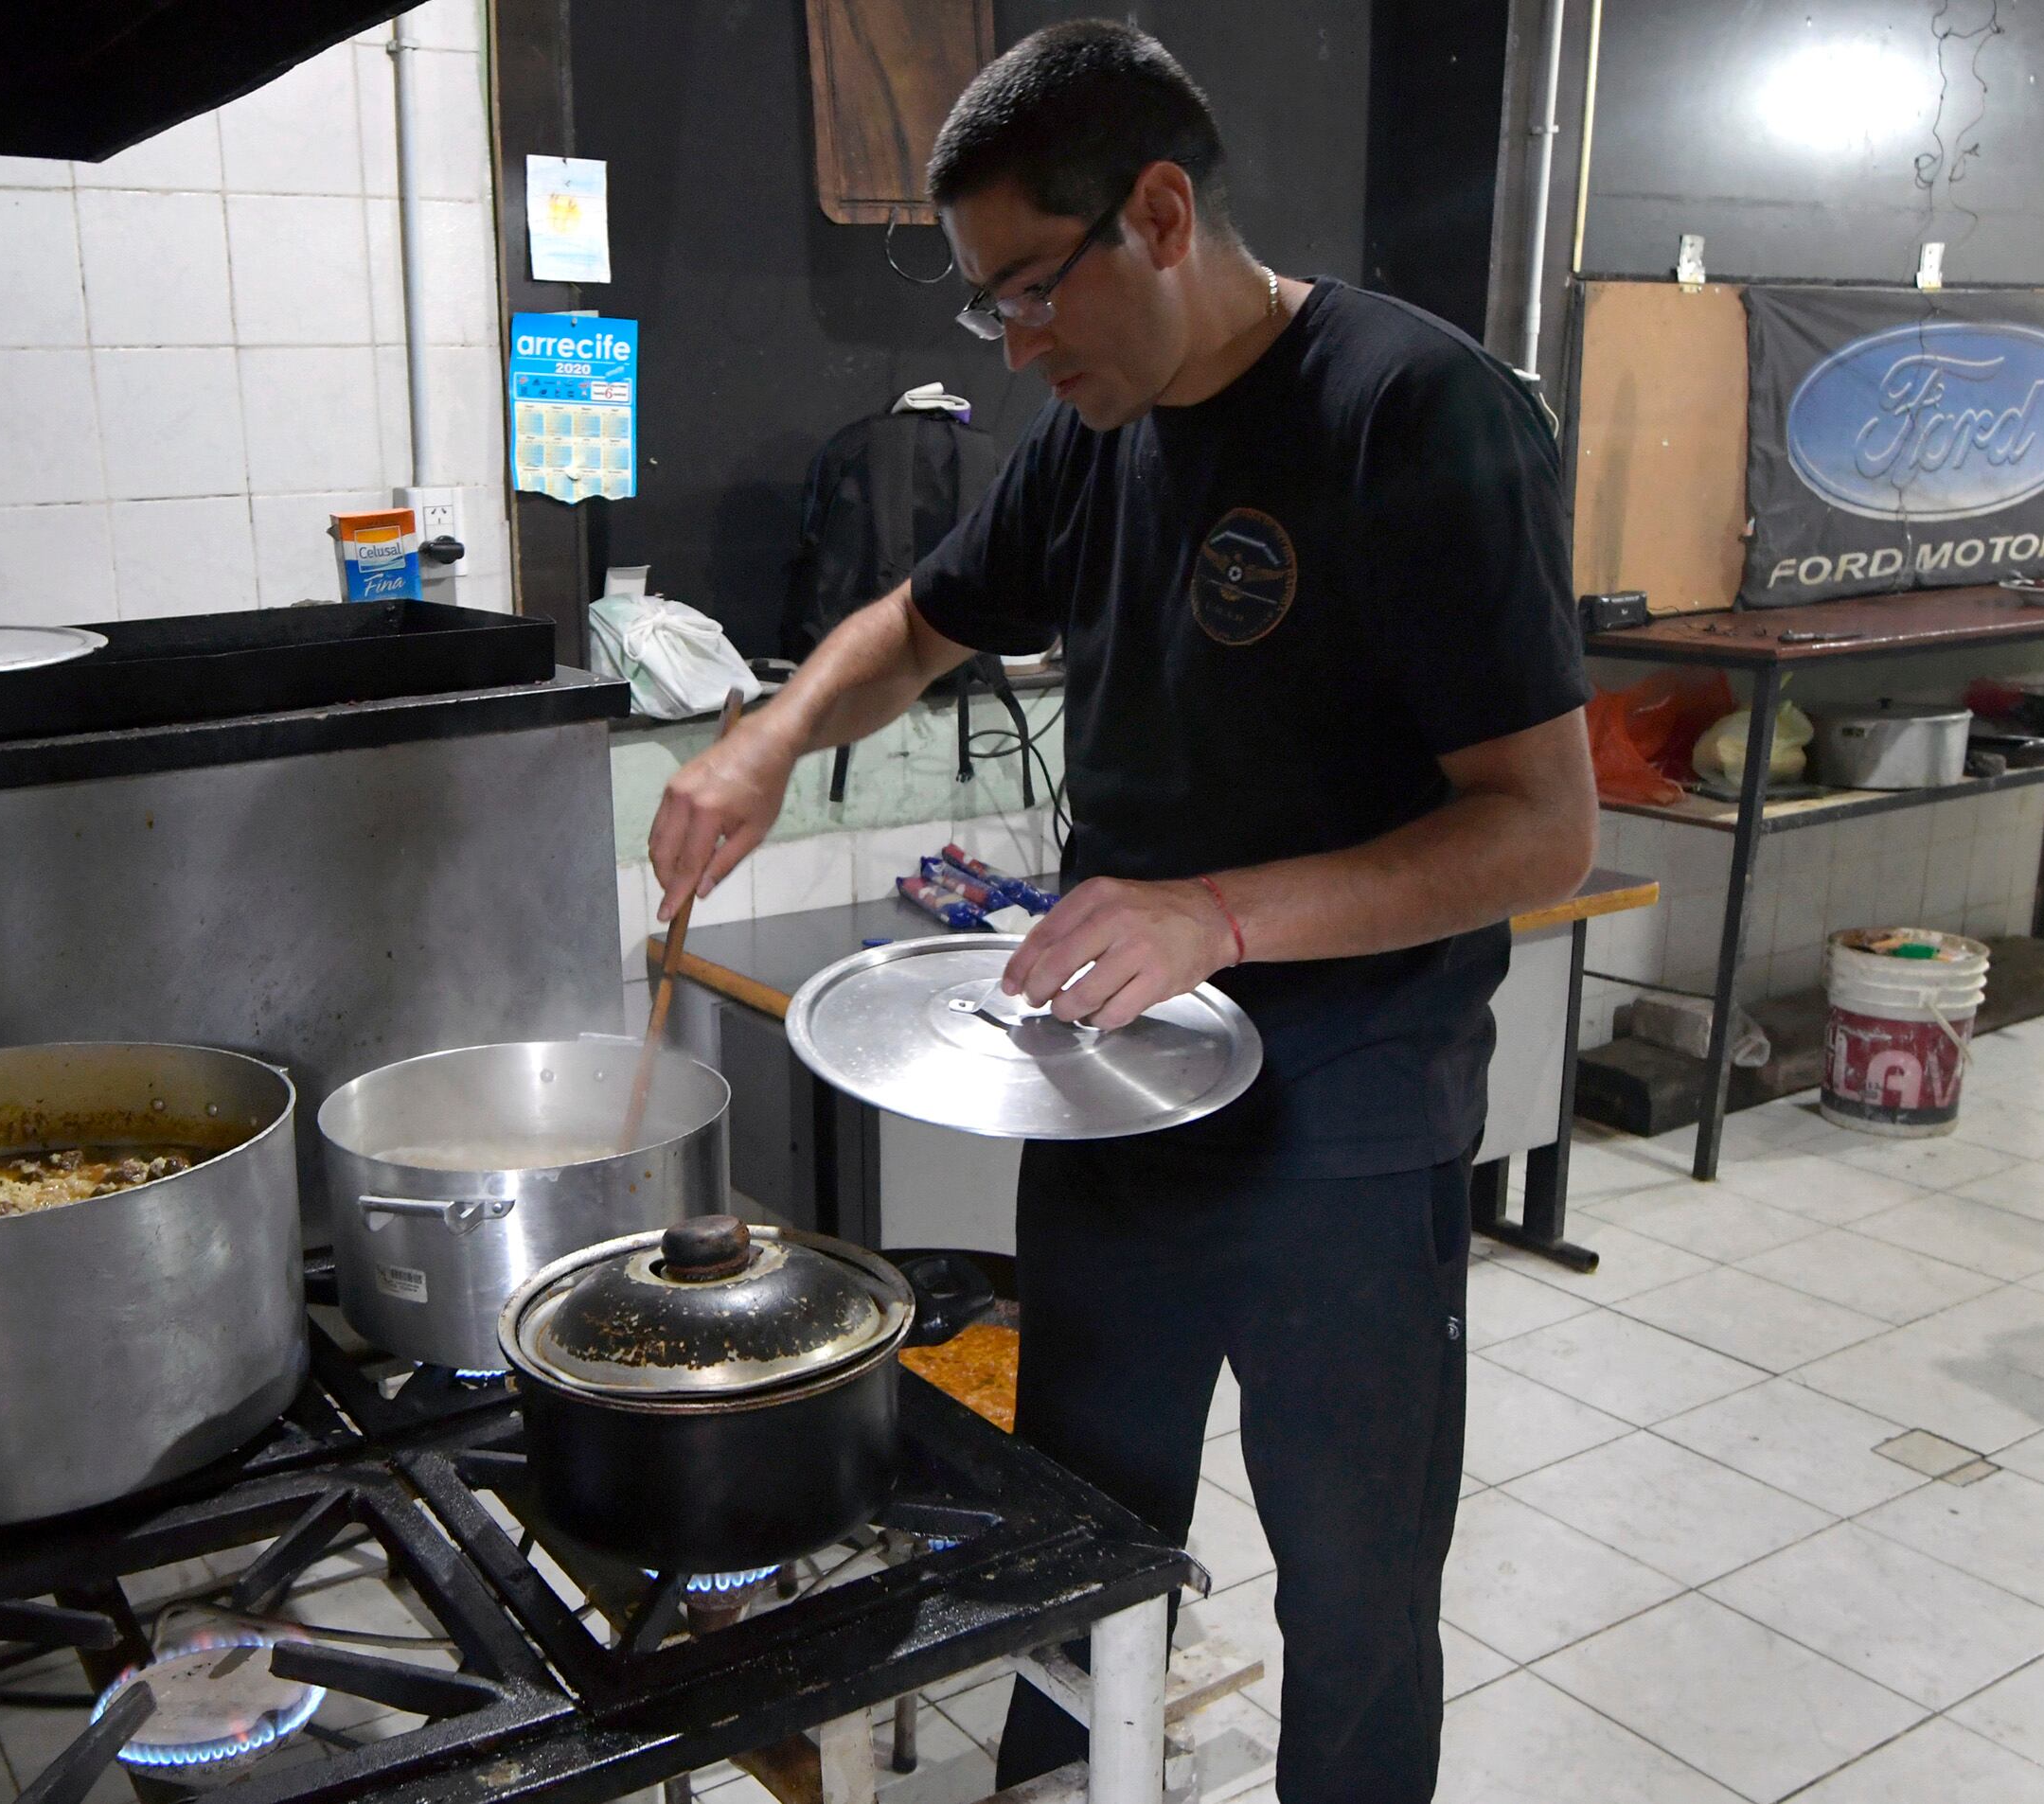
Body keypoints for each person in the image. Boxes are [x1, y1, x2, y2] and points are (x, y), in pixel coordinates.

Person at [645, 19, 1596, 1802]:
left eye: (1028, 290)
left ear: (1160, 212)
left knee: (1357, 1586)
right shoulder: (1100, 434)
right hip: (1122, 1089)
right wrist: (767, 736)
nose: (1014, 343)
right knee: (1068, 1549)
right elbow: (923, 621)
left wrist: (1218, 913)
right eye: (983, 305)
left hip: (1355, 1116)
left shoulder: (1414, 410)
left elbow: (1541, 827)